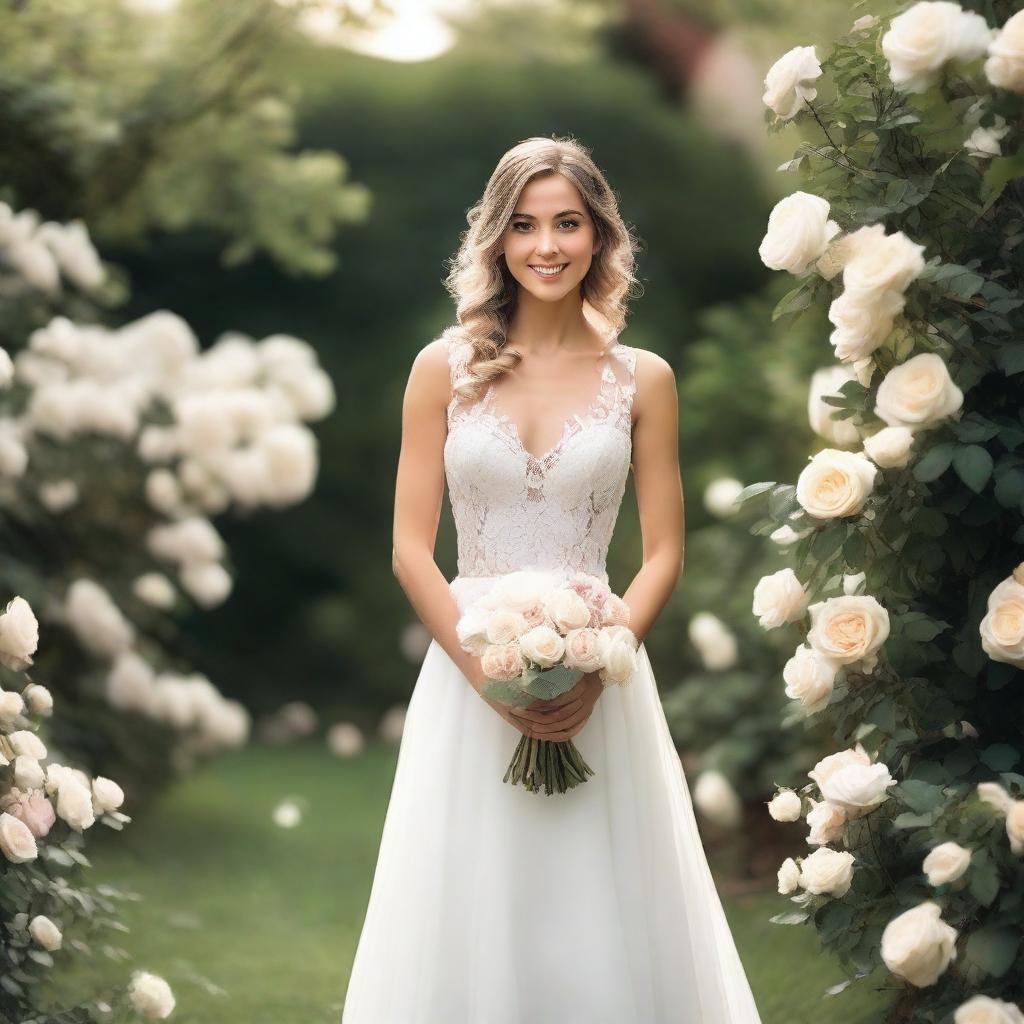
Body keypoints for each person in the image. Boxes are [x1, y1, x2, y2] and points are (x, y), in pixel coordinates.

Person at [342, 135, 762, 1023]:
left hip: (601, 682)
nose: (546, 246)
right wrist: (482, 676)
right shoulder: (440, 370)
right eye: (525, 225)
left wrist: (601, 657)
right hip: (469, 679)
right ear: (496, 240)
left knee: (596, 904)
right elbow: (410, 550)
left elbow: (663, 554)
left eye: (568, 223)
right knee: (471, 900)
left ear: (600, 236)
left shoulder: (644, 379)